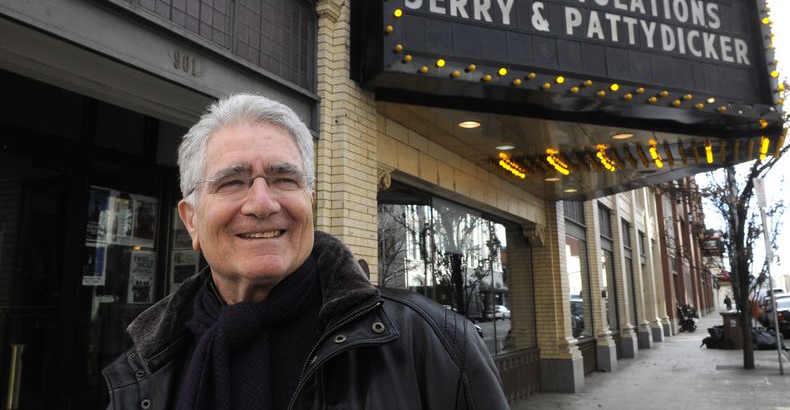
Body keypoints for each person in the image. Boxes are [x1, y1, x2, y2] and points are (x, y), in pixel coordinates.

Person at [102, 94, 509, 409]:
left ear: (309, 201)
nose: (262, 203)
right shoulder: (147, 364)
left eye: (284, 178)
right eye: (232, 182)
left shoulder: (437, 344)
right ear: (191, 220)